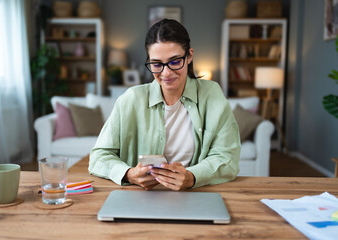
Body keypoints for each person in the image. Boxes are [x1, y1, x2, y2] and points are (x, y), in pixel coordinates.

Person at [89, 19, 240, 191]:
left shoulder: (212, 95)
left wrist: (192, 177)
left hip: (194, 194)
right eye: (157, 64)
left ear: (189, 56)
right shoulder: (131, 99)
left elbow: (228, 157)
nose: (166, 73)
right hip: (140, 196)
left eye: (175, 61)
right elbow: (98, 157)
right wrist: (129, 174)